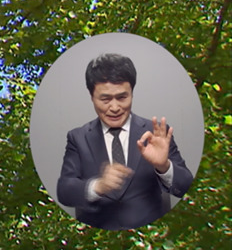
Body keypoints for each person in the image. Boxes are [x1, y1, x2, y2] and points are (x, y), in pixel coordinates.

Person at [56, 53, 194, 229]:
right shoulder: (78, 137)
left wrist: (164, 166)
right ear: (92, 97)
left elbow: (186, 186)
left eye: (122, 97)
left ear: (132, 94)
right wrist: (98, 186)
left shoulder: (156, 134)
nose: (114, 108)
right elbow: (64, 190)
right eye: (105, 99)